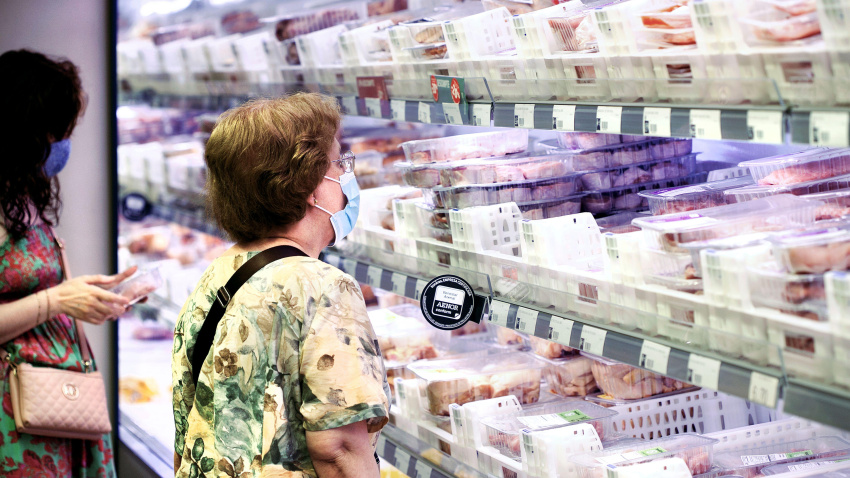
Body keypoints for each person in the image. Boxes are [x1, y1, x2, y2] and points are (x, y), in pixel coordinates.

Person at [171, 93, 390, 478]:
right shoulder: (322, 288)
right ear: (309, 185)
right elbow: (338, 448)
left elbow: (188, 420)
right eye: (340, 162)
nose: (346, 175)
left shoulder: (219, 273)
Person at [0, 50, 136, 476]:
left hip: (53, 402)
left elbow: (39, 288)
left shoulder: (19, 192)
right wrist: (57, 302)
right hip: (16, 416)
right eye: (58, 132)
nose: (63, 144)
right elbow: (46, 298)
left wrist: (87, 300)